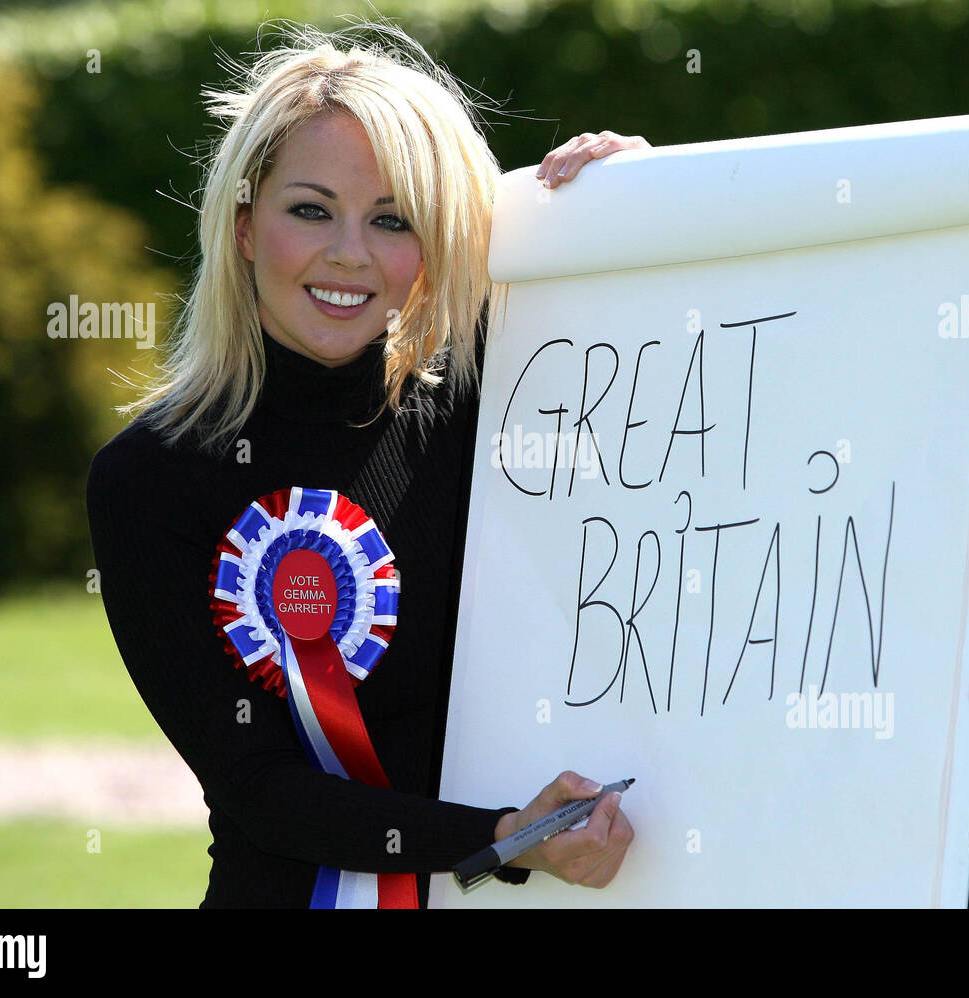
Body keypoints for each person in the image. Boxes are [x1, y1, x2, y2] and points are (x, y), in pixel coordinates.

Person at [85, 19, 646, 908]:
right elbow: (258, 788)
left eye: (393, 220)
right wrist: (502, 839)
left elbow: (669, 368)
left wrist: (637, 202)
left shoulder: (494, 399)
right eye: (311, 210)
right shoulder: (148, 479)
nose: (349, 252)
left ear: (433, 247)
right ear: (241, 225)